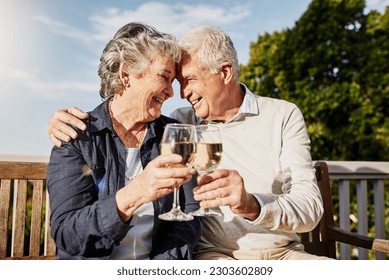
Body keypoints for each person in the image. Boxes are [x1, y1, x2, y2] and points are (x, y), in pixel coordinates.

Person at [48, 25, 329, 260]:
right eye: (170, 79)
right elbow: (67, 234)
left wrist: (251, 204)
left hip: (282, 254)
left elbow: (309, 208)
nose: (179, 94)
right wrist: (59, 123)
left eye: (187, 80)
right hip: (210, 257)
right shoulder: (177, 126)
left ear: (226, 72)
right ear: (126, 75)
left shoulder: (180, 129)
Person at [46, 22, 202, 260]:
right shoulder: (78, 136)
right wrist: (136, 192)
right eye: (164, 77)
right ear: (126, 74)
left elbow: (189, 217)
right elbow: (68, 233)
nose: (172, 92)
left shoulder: (173, 134)